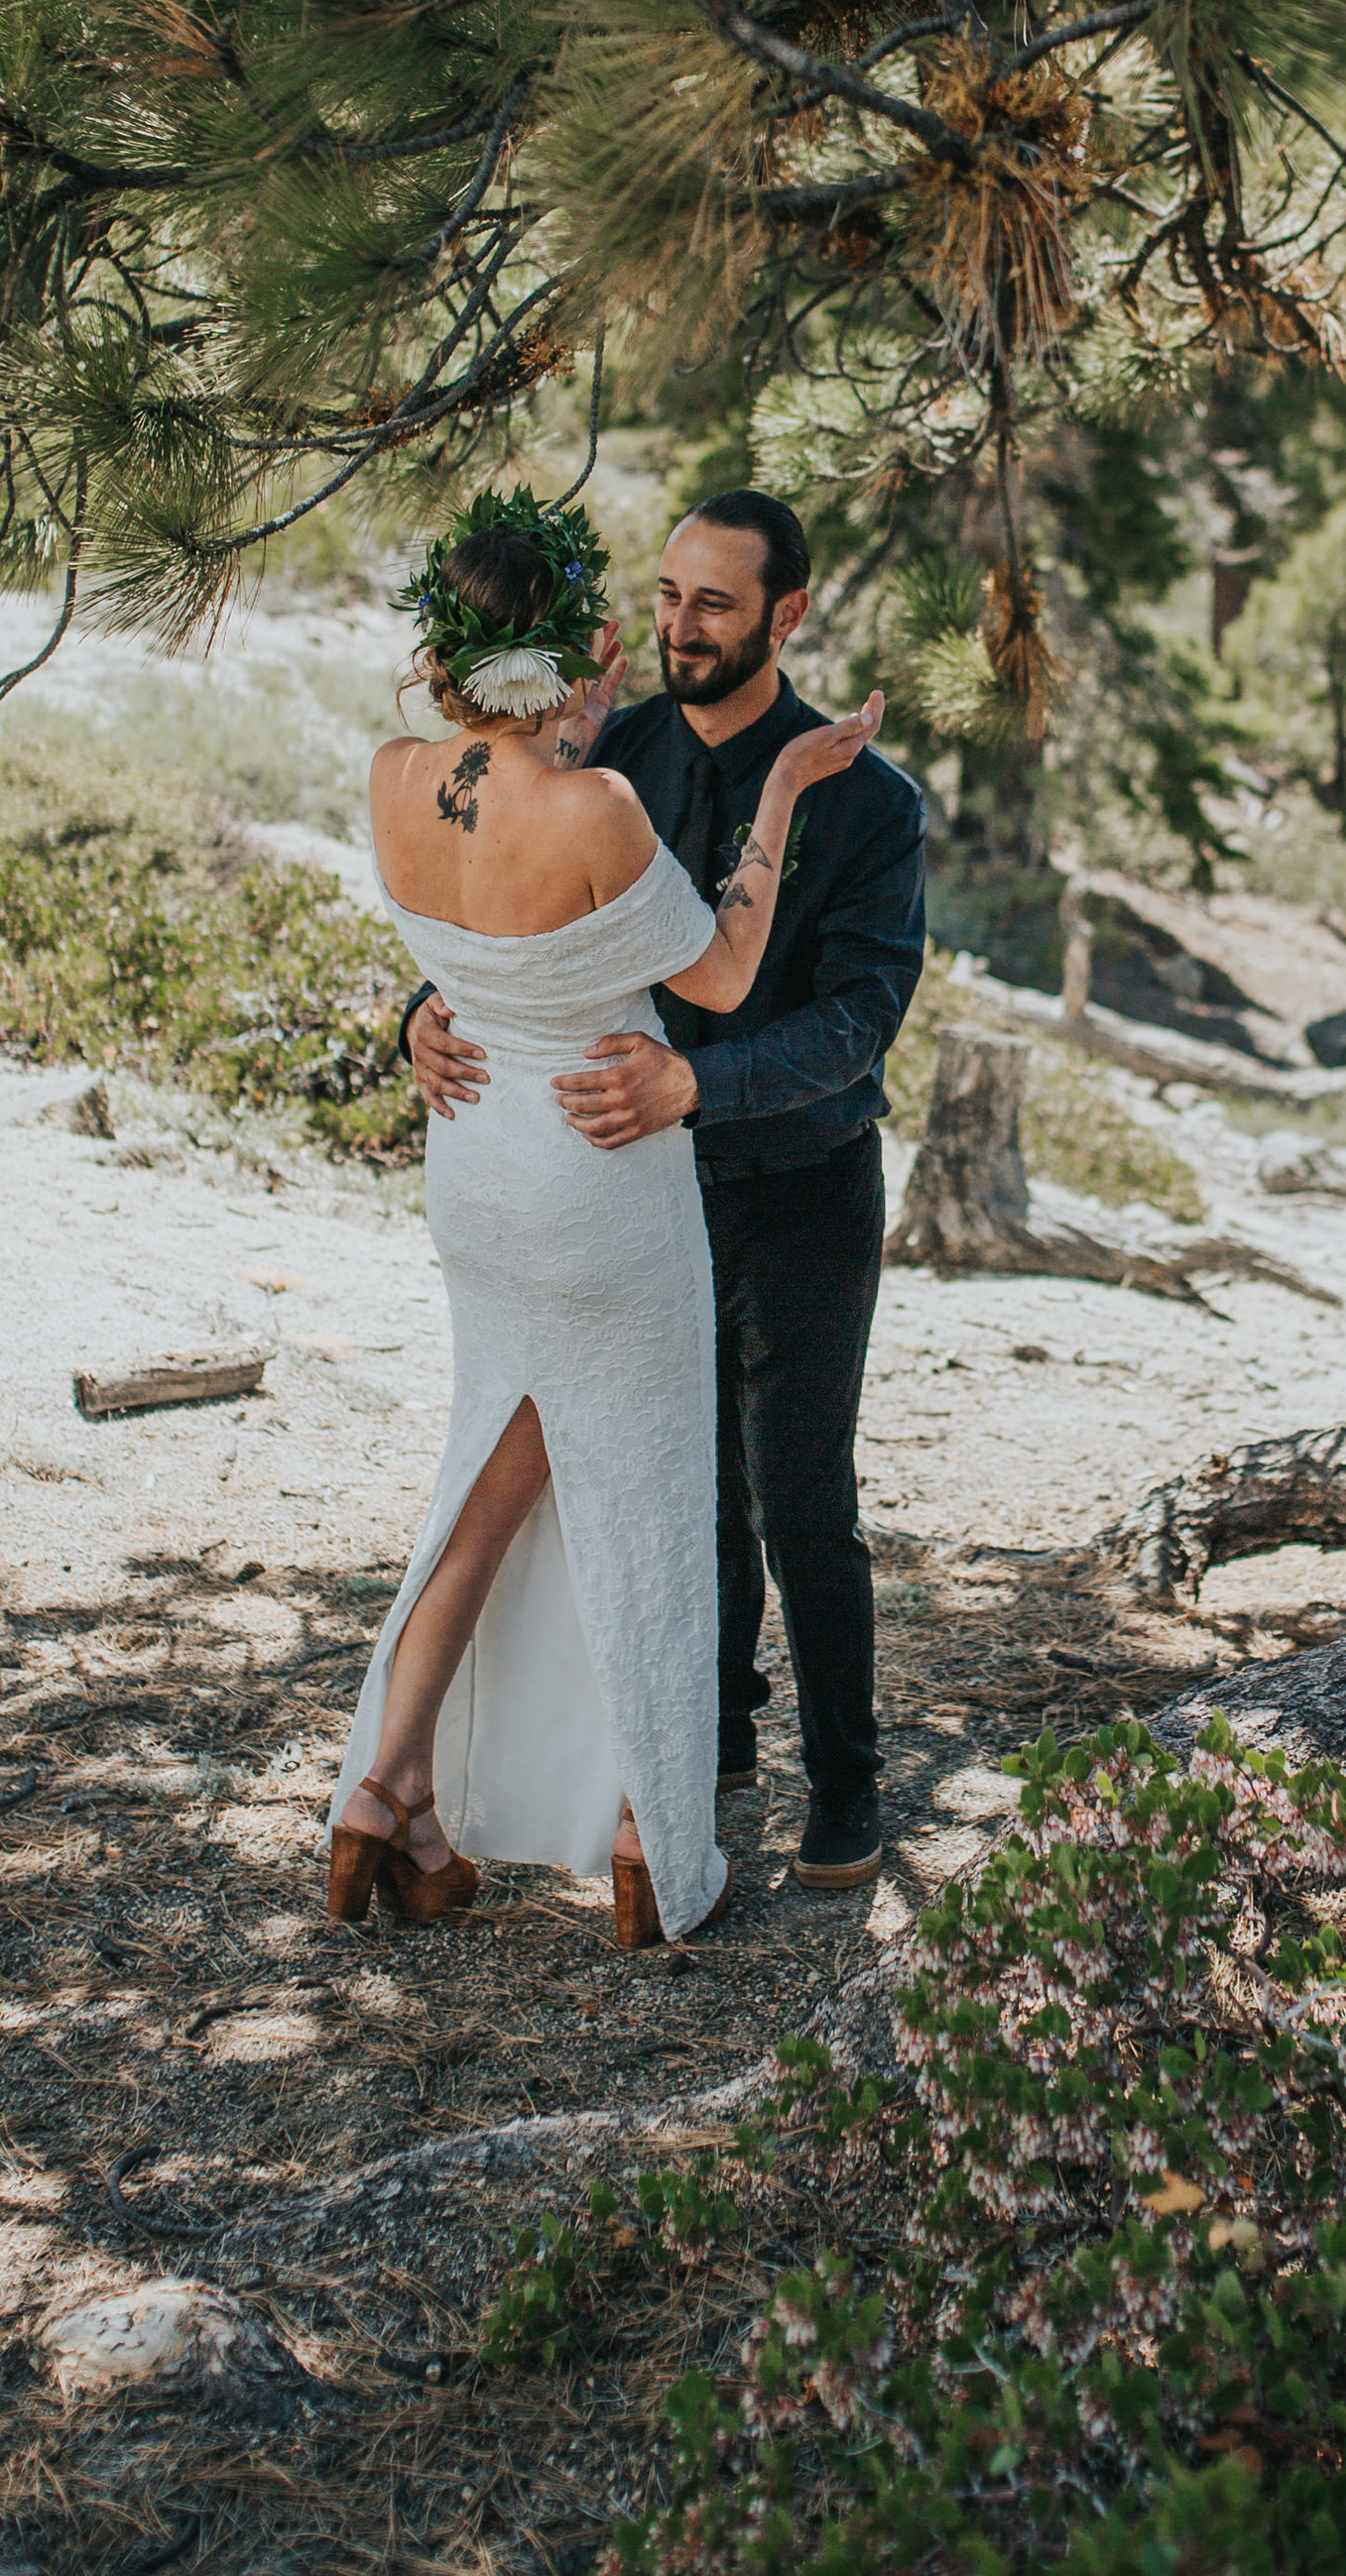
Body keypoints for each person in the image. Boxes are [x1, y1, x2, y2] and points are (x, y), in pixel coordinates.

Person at [331, 487, 885, 1949]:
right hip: (607, 1189)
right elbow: (688, 966)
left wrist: (674, 1084)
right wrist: (416, 1020)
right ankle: (656, 1819)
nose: (668, 625)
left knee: (572, 1487)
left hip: (584, 1178)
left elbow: (846, 1029)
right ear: (580, 636)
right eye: (652, 598)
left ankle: (393, 1788)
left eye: (712, 599)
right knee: (656, 1506)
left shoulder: (399, 769)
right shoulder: (608, 779)